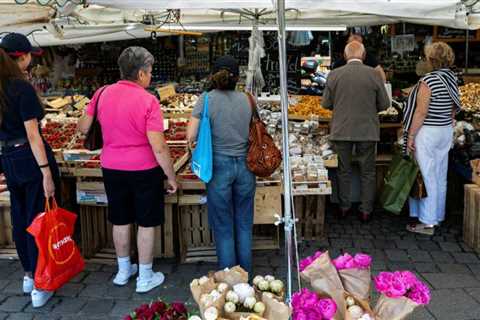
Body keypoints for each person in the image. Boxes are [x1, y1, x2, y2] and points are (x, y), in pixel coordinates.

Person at [78, 47, 177, 293]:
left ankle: (123, 271)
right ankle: (144, 276)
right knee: (146, 221)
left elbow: (82, 128)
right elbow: (159, 146)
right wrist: (171, 176)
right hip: (144, 169)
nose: (151, 76)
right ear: (141, 74)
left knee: (120, 218)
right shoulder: (148, 100)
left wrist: (89, 110)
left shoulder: (101, 93)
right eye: (150, 71)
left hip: (111, 166)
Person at [0, 33, 59, 307]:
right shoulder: (20, 88)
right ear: (20, 57)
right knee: (40, 221)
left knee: (22, 218)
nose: (29, 63)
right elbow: (33, 135)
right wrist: (46, 171)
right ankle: (40, 283)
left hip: (8, 157)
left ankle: (27, 275)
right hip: (29, 157)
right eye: (28, 58)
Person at [187, 56, 255, 273]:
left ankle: (229, 276)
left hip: (217, 167)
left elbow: (191, 136)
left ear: (213, 76)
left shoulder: (205, 99)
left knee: (223, 225)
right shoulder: (248, 99)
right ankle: (245, 274)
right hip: (246, 166)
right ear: (237, 77)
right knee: (244, 222)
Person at [323, 41, 390, 222]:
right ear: (363, 55)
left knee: (343, 170)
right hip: (367, 130)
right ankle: (366, 210)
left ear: (345, 56)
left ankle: (344, 207)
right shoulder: (374, 75)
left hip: (341, 129)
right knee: (367, 172)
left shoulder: (334, 74)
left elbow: (326, 104)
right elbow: (385, 104)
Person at [405, 42, 461, 235]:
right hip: (445, 129)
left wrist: (410, 135)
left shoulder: (428, 81)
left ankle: (427, 222)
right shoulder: (451, 78)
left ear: (430, 60)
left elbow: (420, 112)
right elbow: (455, 106)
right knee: (439, 174)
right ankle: (437, 215)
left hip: (428, 131)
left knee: (426, 174)